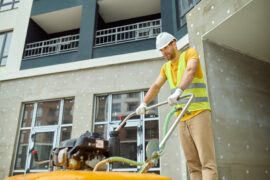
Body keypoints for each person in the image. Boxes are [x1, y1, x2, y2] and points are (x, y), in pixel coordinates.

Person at [136, 32, 218, 180]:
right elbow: (156, 86)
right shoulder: (166, 67)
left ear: (174, 43)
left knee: (207, 162)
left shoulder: (190, 54)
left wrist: (178, 91)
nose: (164, 52)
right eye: (160, 50)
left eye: (165, 48)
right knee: (192, 165)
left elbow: (191, 70)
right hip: (181, 118)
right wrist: (144, 103)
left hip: (199, 113)